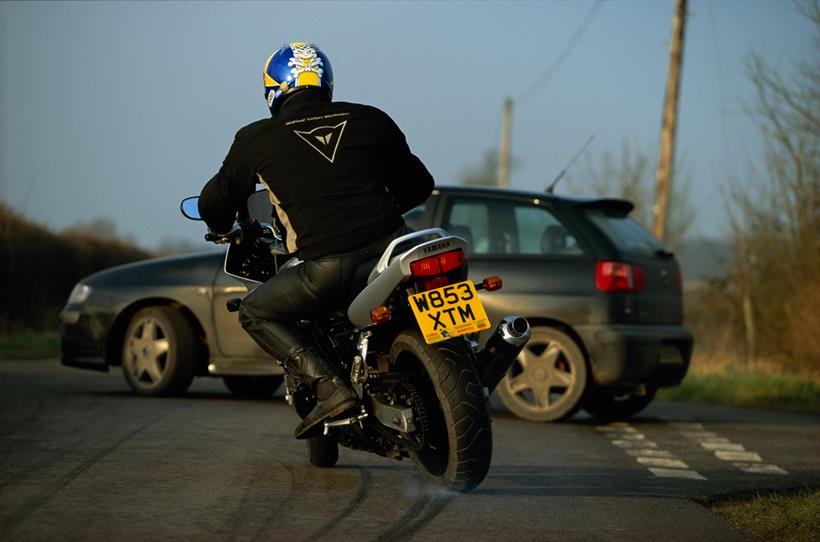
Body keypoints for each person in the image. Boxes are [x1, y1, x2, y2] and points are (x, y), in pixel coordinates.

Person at [197, 42, 434, 439]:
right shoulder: (372, 119)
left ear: (273, 88)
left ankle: (330, 388)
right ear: (325, 81)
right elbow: (420, 185)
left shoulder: (256, 138)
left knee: (255, 311)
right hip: (395, 248)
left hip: (328, 265)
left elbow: (215, 201)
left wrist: (223, 226)